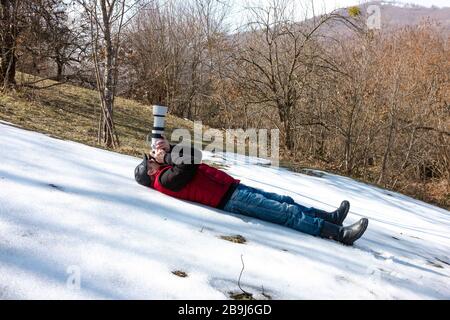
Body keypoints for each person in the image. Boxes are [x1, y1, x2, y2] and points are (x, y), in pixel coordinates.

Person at [134, 138, 369, 245]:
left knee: (284, 200)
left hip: (232, 188)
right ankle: (338, 234)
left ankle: (330, 217)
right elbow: (192, 160)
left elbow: (192, 153)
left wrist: (171, 147)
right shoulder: (164, 181)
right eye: (150, 162)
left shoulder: (166, 169)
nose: (153, 159)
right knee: (286, 212)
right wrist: (169, 155)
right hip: (230, 200)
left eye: (152, 158)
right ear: (150, 173)